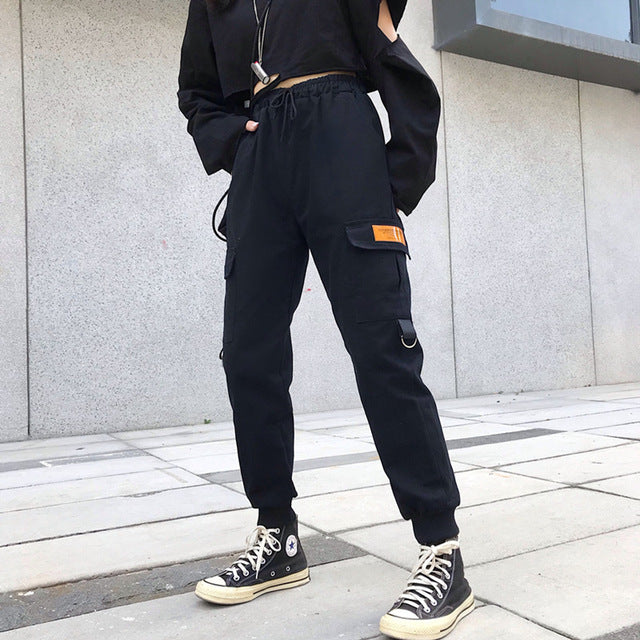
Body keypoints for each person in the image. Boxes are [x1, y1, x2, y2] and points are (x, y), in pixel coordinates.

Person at [177, 0, 475, 637]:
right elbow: (196, 91)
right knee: (248, 352)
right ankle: (277, 535)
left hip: (340, 134)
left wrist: (392, 177)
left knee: (382, 346)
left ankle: (441, 548)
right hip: (261, 152)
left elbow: (393, 56)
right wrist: (234, 141)